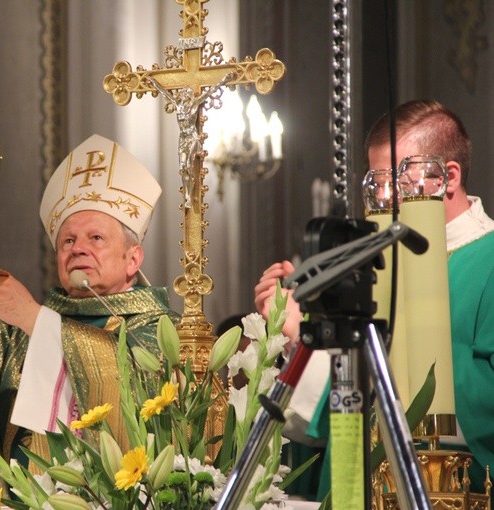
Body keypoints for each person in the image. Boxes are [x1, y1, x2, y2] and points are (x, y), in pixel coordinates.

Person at [0, 133, 179, 507]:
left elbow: (141, 401)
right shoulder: (17, 330)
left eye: (96, 237)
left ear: (133, 259)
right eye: (67, 241)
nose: (78, 248)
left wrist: (34, 317)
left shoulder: (163, 331)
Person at [255, 99, 494, 497]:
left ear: (448, 178)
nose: (384, 199)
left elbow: (477, 405)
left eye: (398, 182)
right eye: (377, 182)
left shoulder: (487, 260)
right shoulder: (371, 263)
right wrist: (297, 336)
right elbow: (315, 429)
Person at [148, 73, 235, 207]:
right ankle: (187, 194)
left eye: (185, 94)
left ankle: (190, 196)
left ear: (189, 96)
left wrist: (224, 79)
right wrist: (153, 82)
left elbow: (211, 90)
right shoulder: (178, 105)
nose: (183, 96)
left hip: (192, 138)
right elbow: (164, 92)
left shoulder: (194, 104)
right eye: (182, 95)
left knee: (188, 166)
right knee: (183, 168)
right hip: (182, 138)